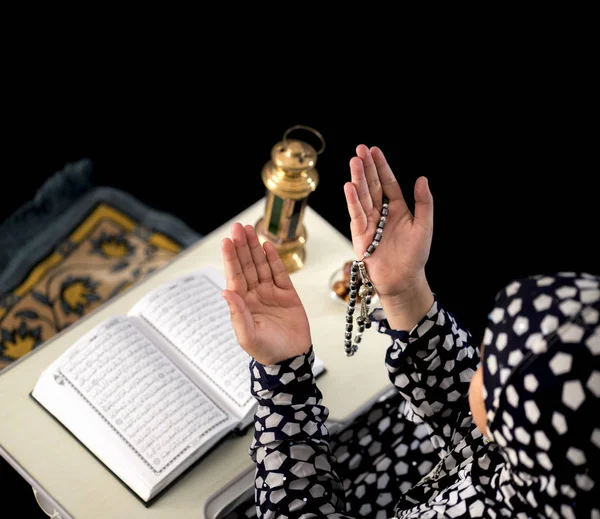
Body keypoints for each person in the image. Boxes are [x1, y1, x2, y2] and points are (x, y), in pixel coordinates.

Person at [220, 145, 599, 518]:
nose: (477, 365)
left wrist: (284, 379)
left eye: (488, 367)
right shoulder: (561, 467)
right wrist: (406, 293)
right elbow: (475, 433)